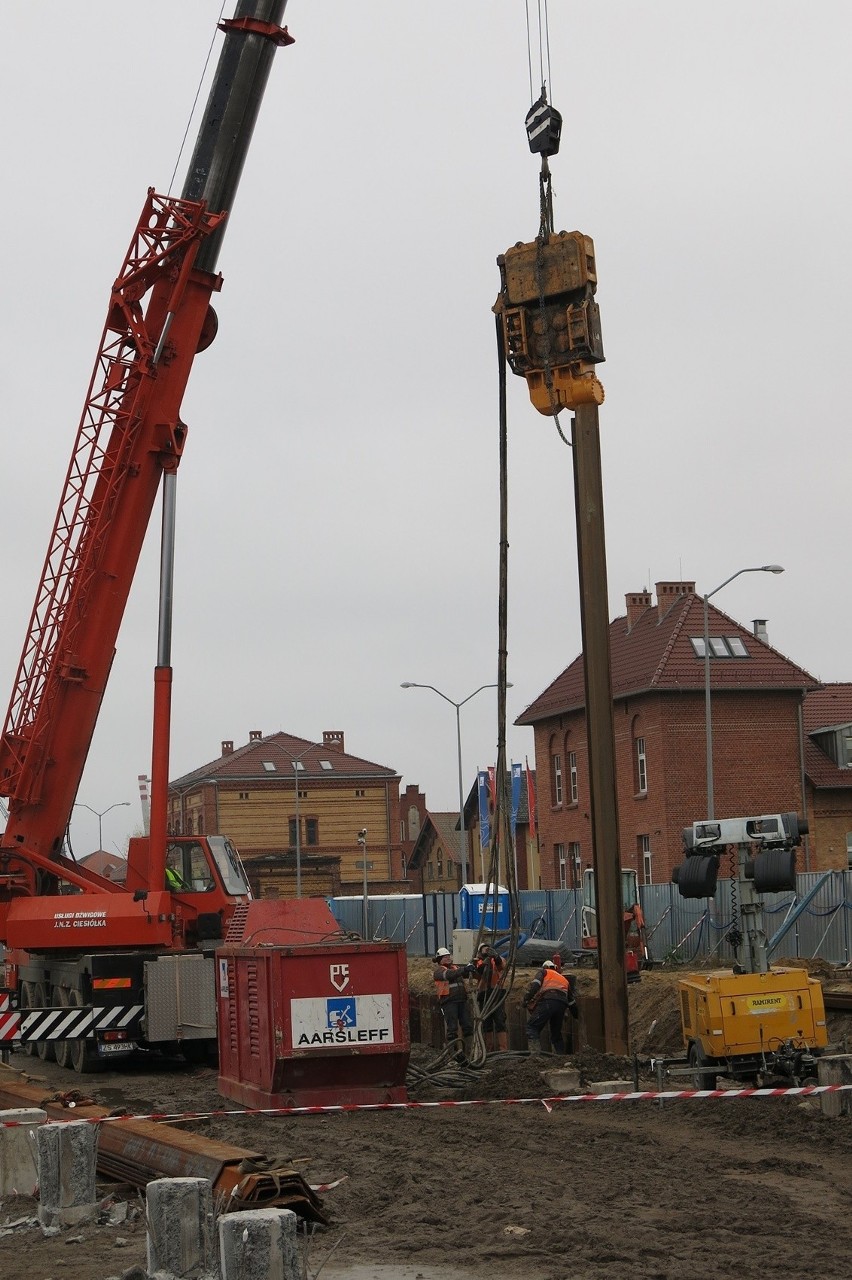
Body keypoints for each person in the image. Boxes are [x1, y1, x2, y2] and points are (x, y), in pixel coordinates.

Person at [523, 958, 578, 1055]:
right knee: (556, 1034)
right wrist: (576, 1015)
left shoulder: (543, 972)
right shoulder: (563, 979)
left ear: (545, 967)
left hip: (548, 1000)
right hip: (561, 1005)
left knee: (532, 1027)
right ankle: (559, 1057)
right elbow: (571, 1001)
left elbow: (535, 985)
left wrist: (526, 999)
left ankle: (535, 1057)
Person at [433, 946, 475, 1061]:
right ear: (439, 960)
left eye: (448, 956)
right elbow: (450, 975)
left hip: (462, 1001)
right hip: (449, 1003)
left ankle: (469, 1054)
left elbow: (465, 973)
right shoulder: (439, 971)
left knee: (467, 1026)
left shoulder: (455, 968)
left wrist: (473, 967)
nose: (447, 958)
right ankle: (455, 1055)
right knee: (452, 1028)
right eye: (444, 957)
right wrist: (464, 969)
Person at [473, 942, 508, 1051]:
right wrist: (484, 963)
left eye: (488, 948)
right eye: (484, 949)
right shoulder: (477, 961)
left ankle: (503, 1049)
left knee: (499, 1020)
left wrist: (496, 957)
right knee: (486, 1022)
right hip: (484, 993)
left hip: (497, 992)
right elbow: (477, 972)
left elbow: (502, 966)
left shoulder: (498, 959)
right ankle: (489, 1049)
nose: (486, 950)